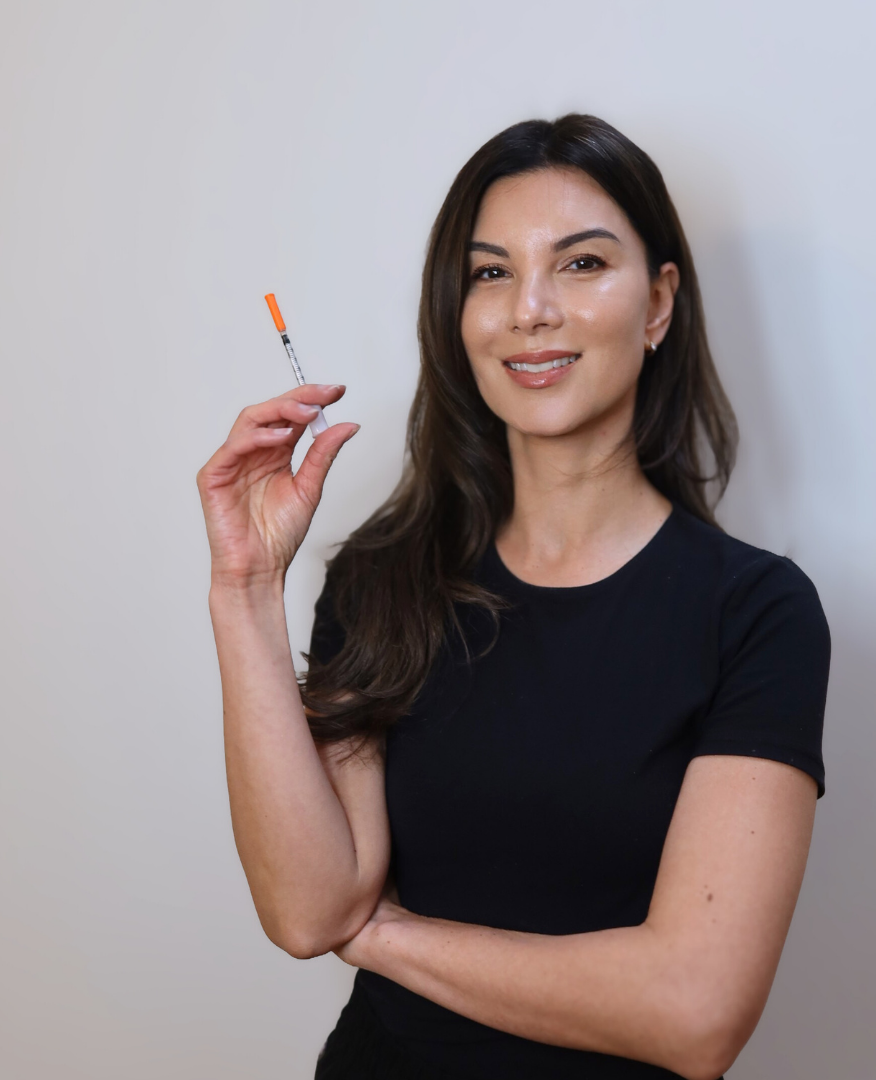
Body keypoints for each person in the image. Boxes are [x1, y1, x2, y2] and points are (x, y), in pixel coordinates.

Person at [196, 114, 830, 1080]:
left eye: (581, 264)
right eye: (491, 273)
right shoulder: (381, 579)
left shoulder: (755, 614)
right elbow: (305, 906)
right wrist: (244, 588)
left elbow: (696, 1013)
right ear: (458, 315)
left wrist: (383, 935)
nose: (530, 309)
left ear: (659, 304)